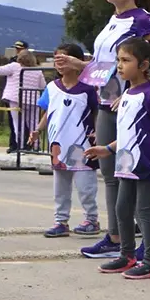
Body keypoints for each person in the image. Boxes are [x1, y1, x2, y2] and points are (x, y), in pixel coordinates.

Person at [62, 0, 150, 262]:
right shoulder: (112, 20)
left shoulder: (144, 20)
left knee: (137, 174)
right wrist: (80, 67)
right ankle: (116, 237)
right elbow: (104, 68)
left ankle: (146, 245)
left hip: (130, 107)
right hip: (107, 104)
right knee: (112, 173)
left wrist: (133, 93)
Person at [86, 38, 150, 280]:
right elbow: (128, 132)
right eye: (118, 60)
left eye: (126, 60)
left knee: (144, 211)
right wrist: (108, 148)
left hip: (147, 162)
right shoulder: (126, 94)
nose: (120, 66)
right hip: (126, 163)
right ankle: (127, 255)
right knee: (122, 209)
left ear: (144, 65)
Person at [29, 42, 100, 238]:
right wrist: (38, 130)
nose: (60, 64)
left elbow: (97, 113)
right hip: (58, 147)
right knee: (60, 188)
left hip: (82, 146)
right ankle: (61, 221)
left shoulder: (89, 89)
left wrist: (98, 132)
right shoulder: (52, 88)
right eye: (57, 59)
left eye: (64, 59)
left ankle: (91, 220)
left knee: (86, 187)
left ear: (76, 61)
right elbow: (48, 112)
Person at [0, 45, 45, 153]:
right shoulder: (38, 71)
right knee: (34, 124)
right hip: (33, 100)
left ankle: (21, 146)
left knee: (18, 124)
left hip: (16, 99)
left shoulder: (14, 66)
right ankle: (36, 146)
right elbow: (42, 86)